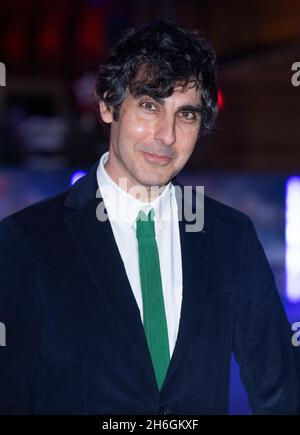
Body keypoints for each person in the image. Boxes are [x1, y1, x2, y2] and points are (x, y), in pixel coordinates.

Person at [0, 21, 299, 415]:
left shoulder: (231, 238)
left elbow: (280, 392)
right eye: (149, 105)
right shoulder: (29, 241)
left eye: (186, 115)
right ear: (108, 104)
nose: (167, 135)